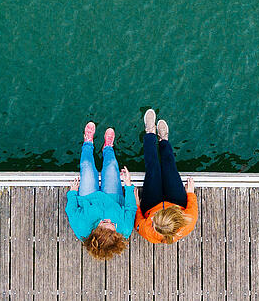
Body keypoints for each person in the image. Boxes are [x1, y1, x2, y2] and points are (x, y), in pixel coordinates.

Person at [65, 121, 137, 260]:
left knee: (87, 167)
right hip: (113, 197)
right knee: (111, 166)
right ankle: (108, 148)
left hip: (88, 198)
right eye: (112, 224)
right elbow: (130, 208)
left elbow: (71, 210)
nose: (108, 220)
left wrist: (73, 192)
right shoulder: (125, 230)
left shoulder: (82, 229)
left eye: (104, 223)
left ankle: (88, 143)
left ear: (94, 231)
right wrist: (128, 185)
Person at [135, 109, 198, 244]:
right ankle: (163, 140)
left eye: (153, 221)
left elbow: (139, 221)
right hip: (177, 203)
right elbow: (192, 209)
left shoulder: (148, 232)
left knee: (153, 169)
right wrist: (190, 194)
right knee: (169, 167)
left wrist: (137, 206)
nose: (151, 220)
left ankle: (150, 133)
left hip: (151, 206)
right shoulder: (188, 222)